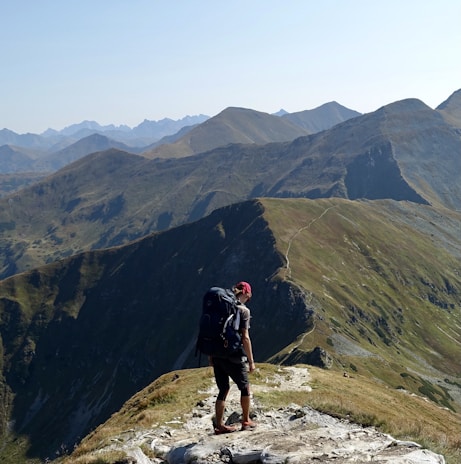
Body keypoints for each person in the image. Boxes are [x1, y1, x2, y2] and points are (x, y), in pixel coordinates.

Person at [209, 281, 257, 434]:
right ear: (247, 294)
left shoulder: (221, 307)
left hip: (217, 353)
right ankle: (246, 420)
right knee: (245, 387)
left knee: (223, 389)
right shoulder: (243, 311)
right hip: (233, 355)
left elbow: (212, 332)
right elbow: (245, 338)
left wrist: (211, 355)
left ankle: (219, 426)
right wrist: (251, 361)